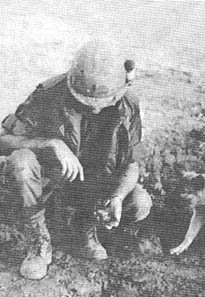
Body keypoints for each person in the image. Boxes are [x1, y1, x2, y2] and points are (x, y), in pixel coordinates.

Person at [0, 40, 152, 280]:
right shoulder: (49, 94)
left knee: (139, 202)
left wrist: (118, 197)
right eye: (84, 103)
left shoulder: (128, 106)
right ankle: (39, 241)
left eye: (101, 103)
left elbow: (132, 164)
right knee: (21, 162)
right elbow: (4, 140)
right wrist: (50, 144)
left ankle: (83, 230)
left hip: (92, 189)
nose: (92, 109)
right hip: (50, 183)